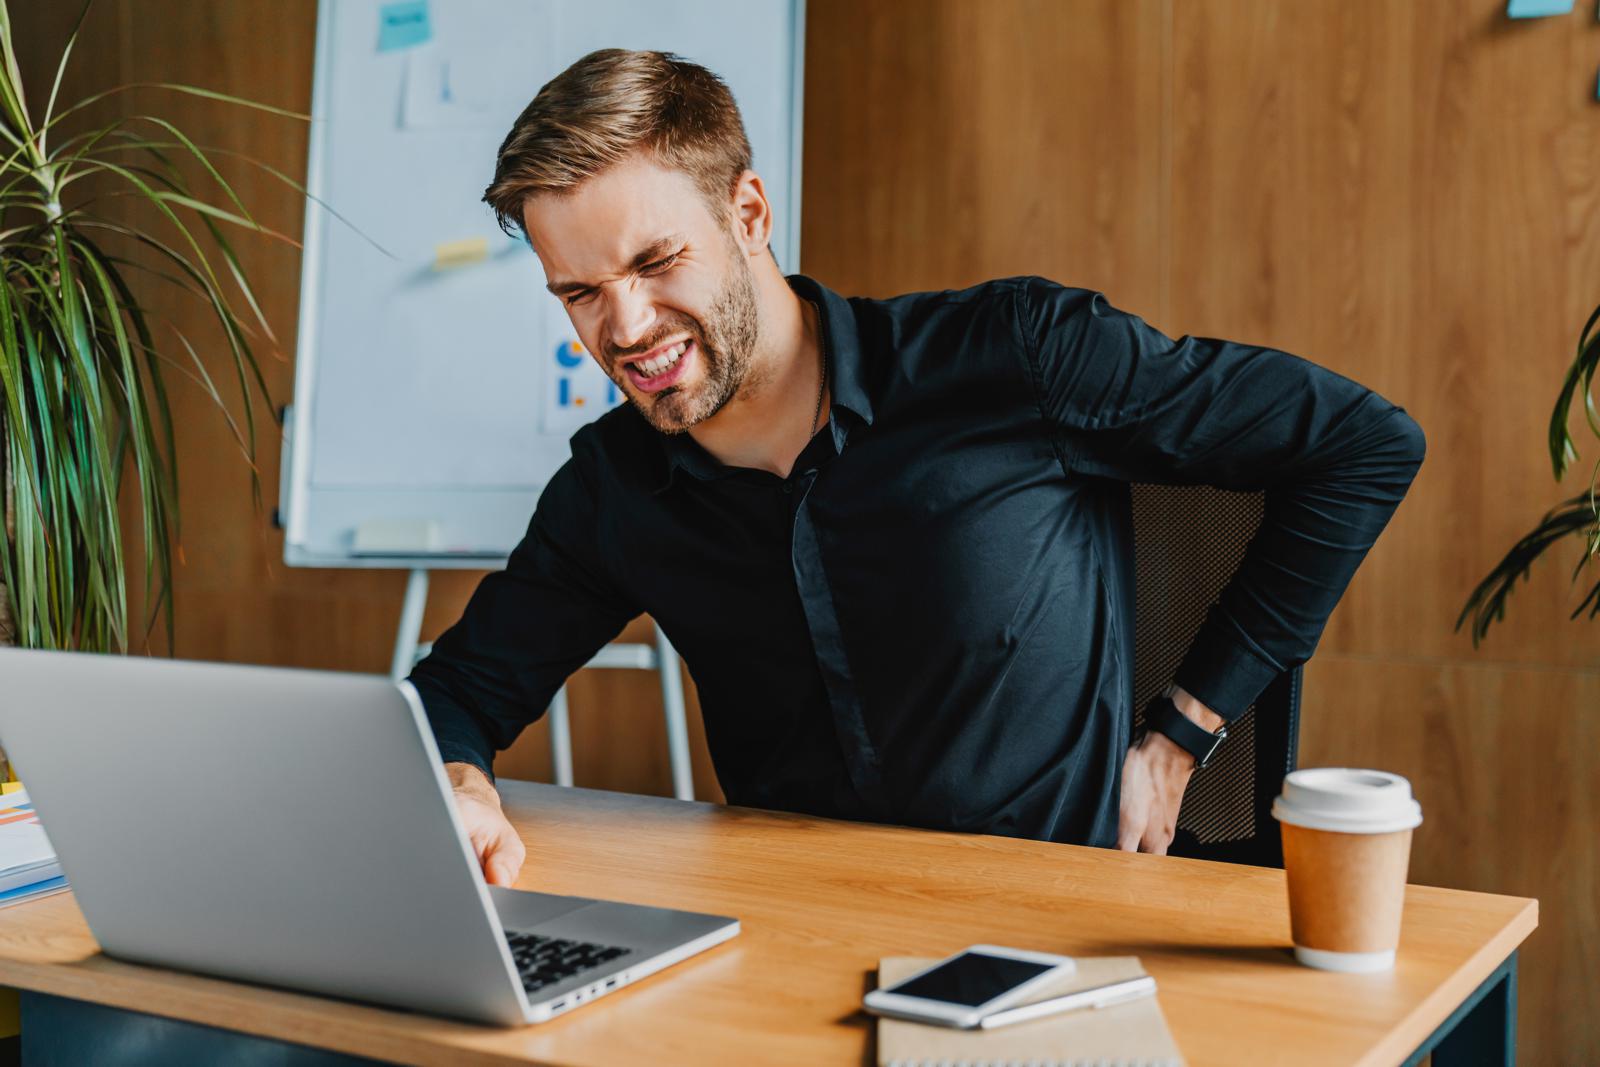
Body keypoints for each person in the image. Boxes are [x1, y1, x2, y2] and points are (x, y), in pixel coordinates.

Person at [408, 48, 1425, 888]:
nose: (624, 327)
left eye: (653, 263)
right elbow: (459, 687)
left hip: (1057, 925)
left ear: (749, 213)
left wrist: (1181, 733)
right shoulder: (613, 488)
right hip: (795, 934)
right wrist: (460, 780)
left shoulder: (1012, 355)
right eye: (580, 292)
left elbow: (1362, 445)